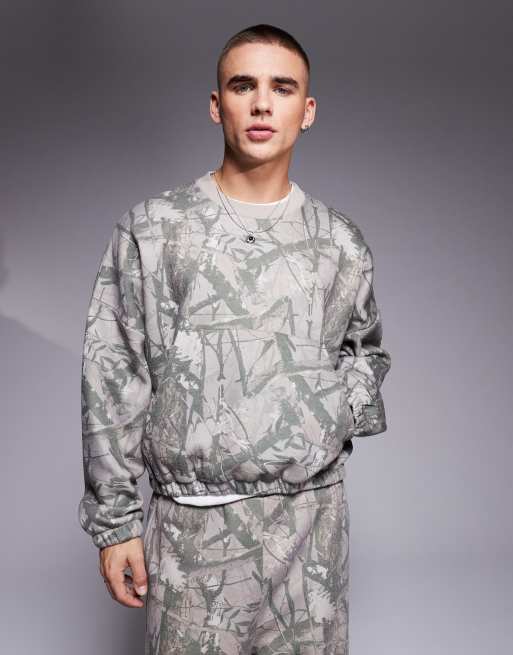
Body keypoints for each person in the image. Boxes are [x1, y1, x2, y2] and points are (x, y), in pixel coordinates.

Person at [78, 23, 391, 655]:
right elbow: (113, 373)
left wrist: (329, 413)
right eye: (243, 86)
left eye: (282, 88)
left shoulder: (339, 241)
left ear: (307, 111)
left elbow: (366, 351)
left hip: (312, 527)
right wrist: (116, 525)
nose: (261, 104)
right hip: (193, 529)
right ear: (217, 105)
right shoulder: (154, 229)